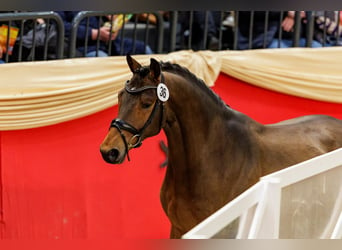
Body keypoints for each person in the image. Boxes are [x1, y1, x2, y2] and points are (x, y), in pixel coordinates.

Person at [56, 11, 153, 57]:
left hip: (112, 43)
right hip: (81, 46)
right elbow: (59, 25)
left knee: (144, 49)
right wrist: (94, 33)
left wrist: (114, 23)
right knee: (102, 58)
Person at [237, 11, 322, 50]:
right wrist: (286, 12)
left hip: (296, 38)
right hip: (264, 39)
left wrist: (299, 14)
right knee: (285, 56)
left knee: (318, 50)